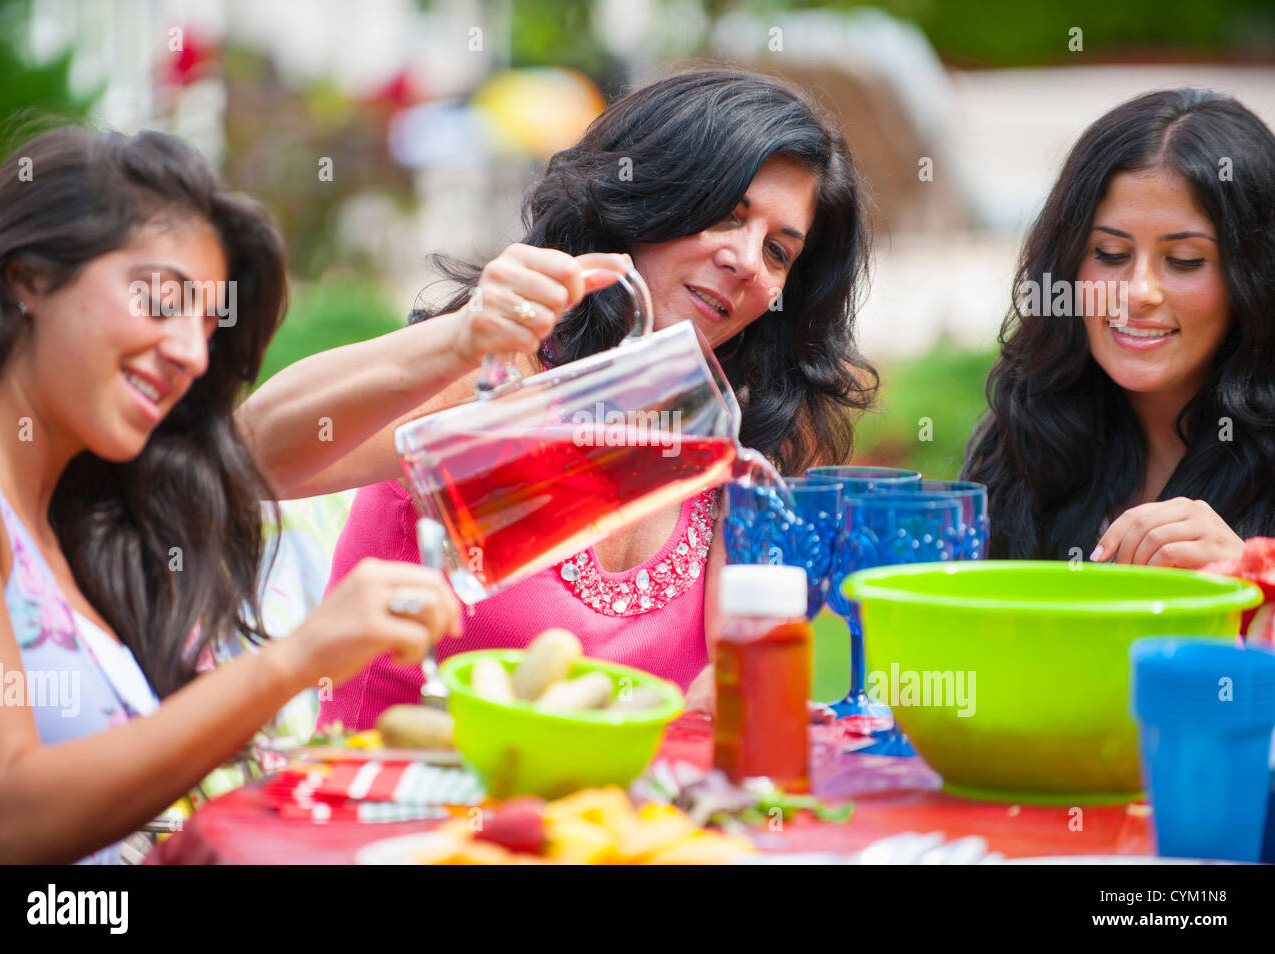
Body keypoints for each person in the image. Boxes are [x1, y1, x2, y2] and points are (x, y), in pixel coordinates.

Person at [239, 68, 877, 727]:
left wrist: (750, 701)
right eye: (725, 215)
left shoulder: (732, 442)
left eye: (778, 250)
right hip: (394, 807)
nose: (746, 261)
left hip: (605, 825)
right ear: (651, 199)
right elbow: (246, 458)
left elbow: (726, 686)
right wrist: (459, 338)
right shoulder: (495, 368)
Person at [0, 126, 462, 864]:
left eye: (207, 326)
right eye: (160, 300)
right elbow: (2, 820)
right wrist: (295, 660)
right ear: (28, 278)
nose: (190, 353)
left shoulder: (56, 523)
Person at [963, 89, 1275, 567]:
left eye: (1184, 260)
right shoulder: (1028, 436)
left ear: (1253, 279)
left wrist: (1254, 576)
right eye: (1111, 254)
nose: (1138, 291)